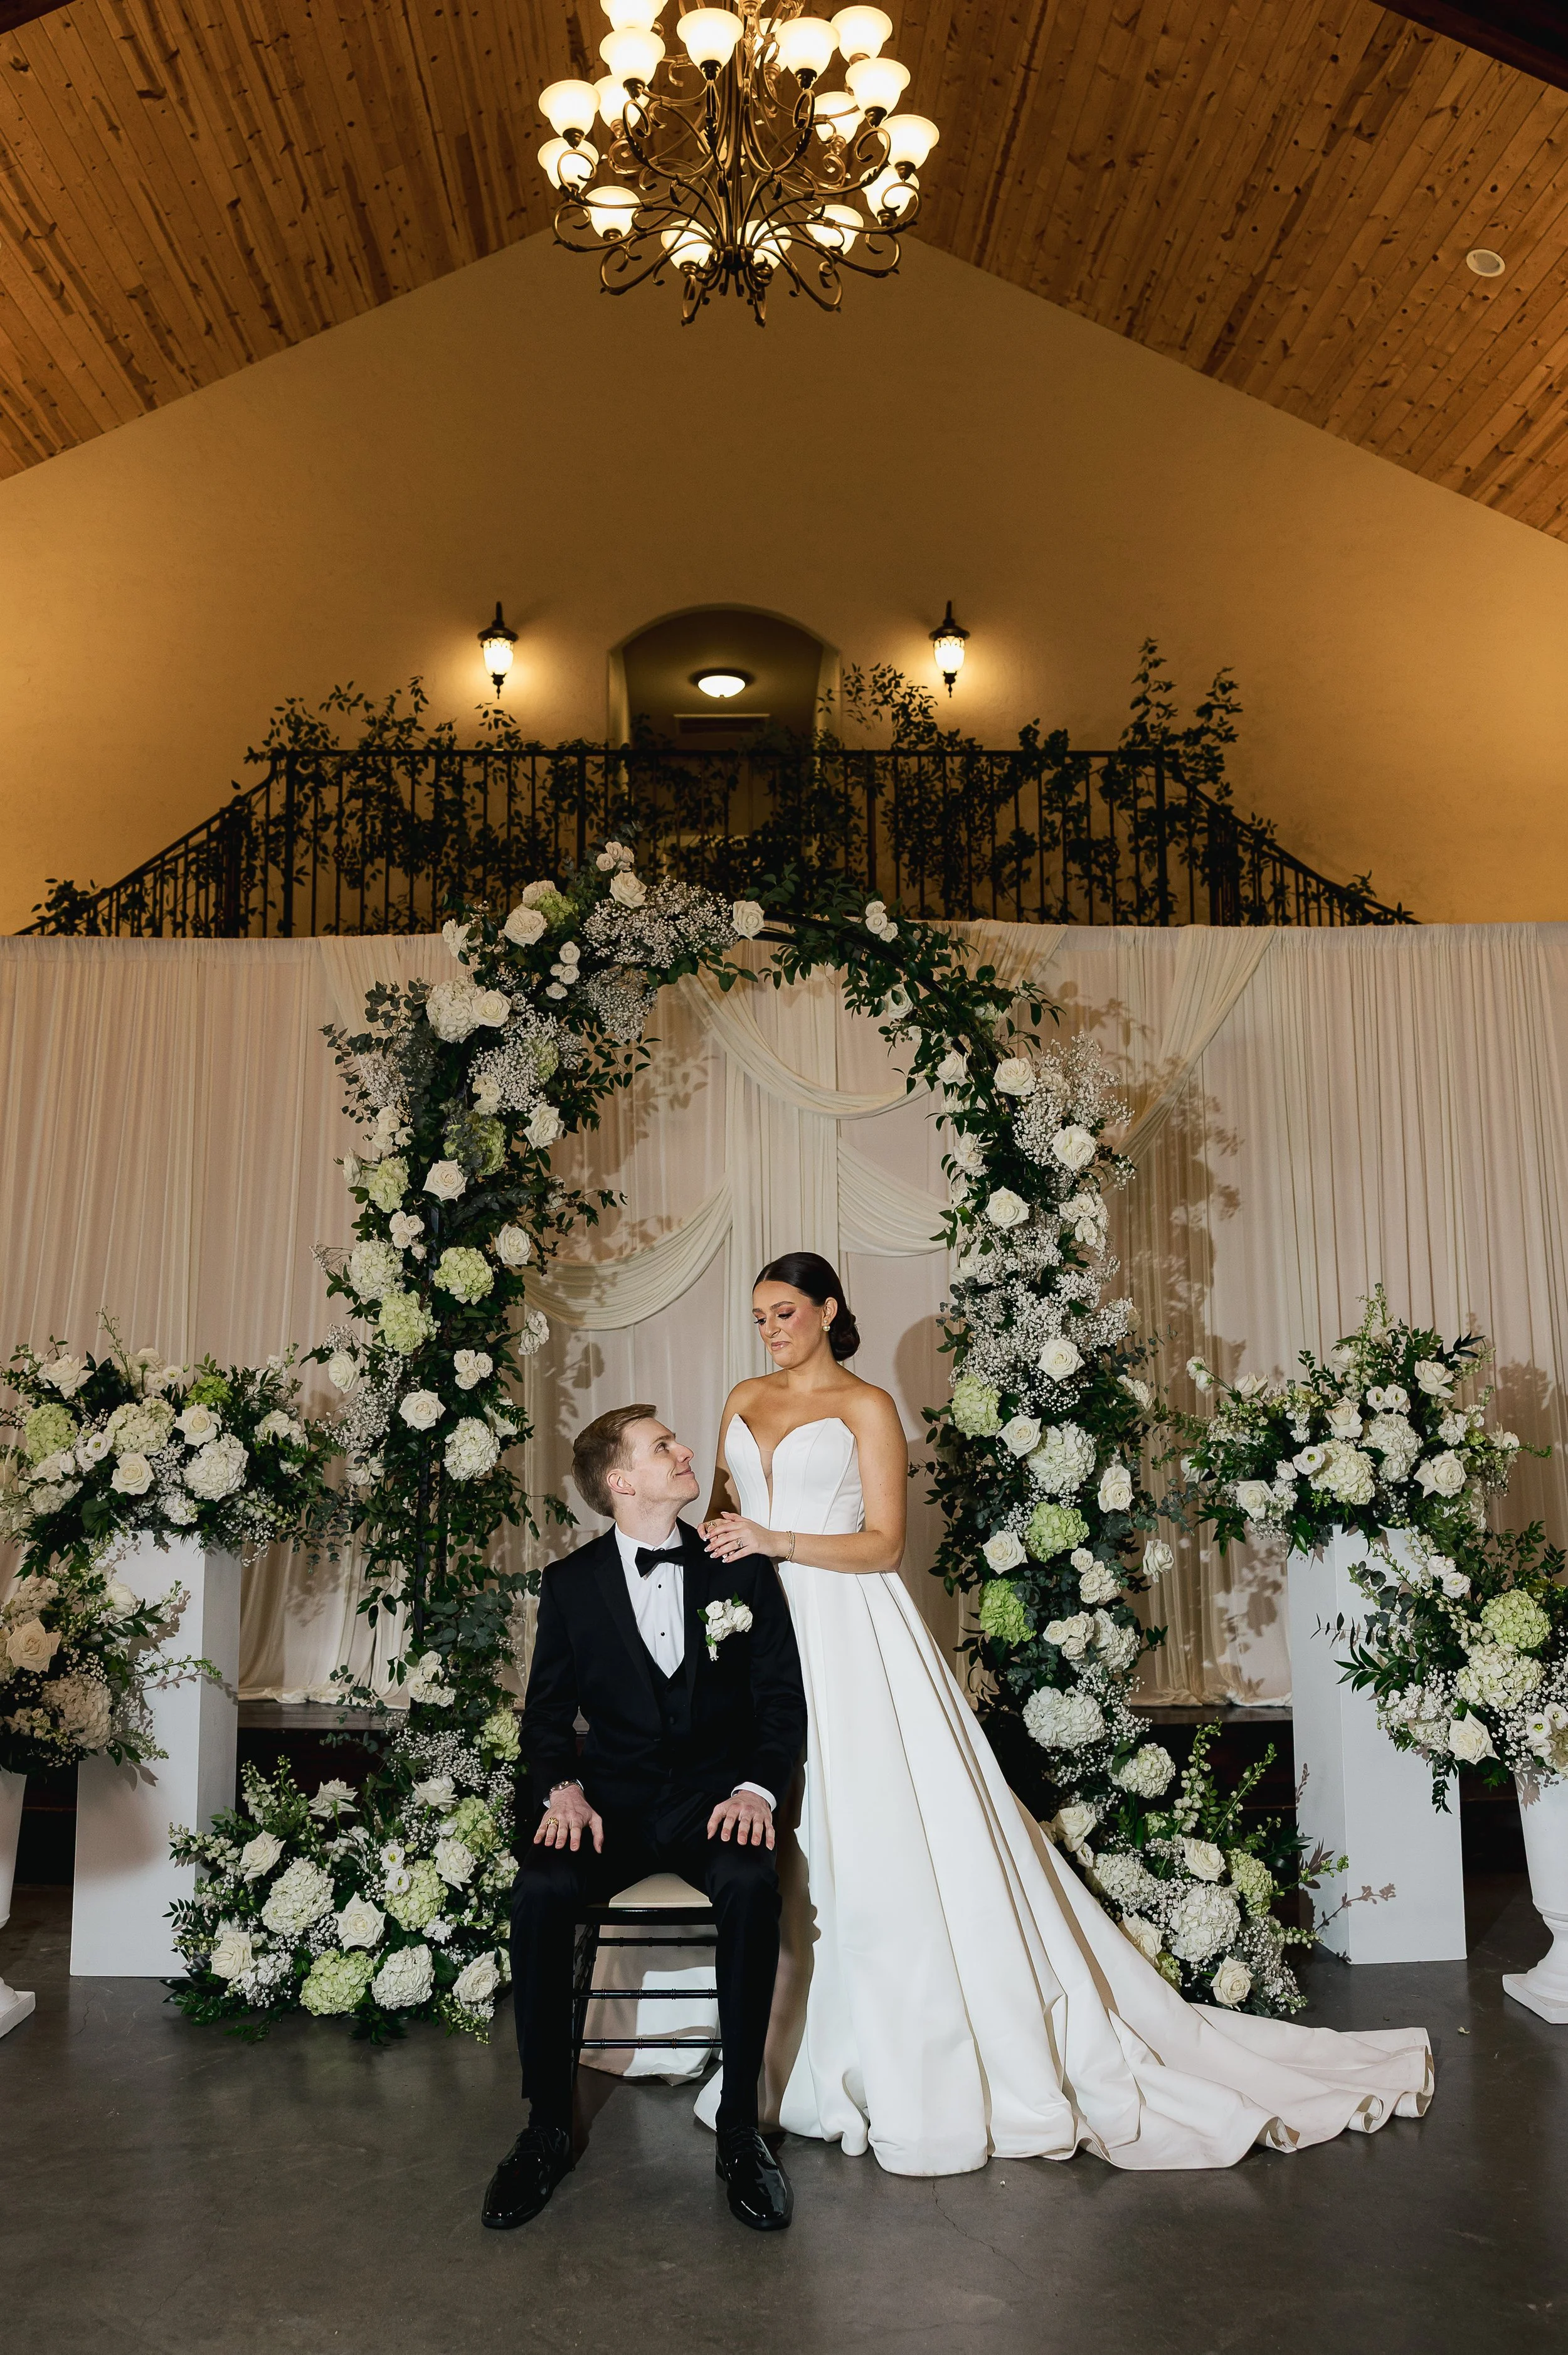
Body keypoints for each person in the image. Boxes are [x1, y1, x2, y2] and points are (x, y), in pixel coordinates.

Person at [696, 1250, 1434, 2176]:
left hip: (850, 1627)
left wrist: (780, 1539)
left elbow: (884, 1544)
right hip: (759, 1624)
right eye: (760, 1315)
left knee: (873, 1829)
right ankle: (768, 2034)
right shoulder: (740, 1396)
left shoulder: (867, 1406)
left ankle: (879, 2048)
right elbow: (723, 1512)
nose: (770, 1328)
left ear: (828, 1308)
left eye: (785, 1311)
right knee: (778, 1822)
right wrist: (726, 1573)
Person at [484, 1404, 807, 2234]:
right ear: (621, 1481)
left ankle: (739, 2127)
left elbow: (780, 1708)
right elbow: (546, 1717)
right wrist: (560, 1787)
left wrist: (755, 1792)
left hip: (713, 1807)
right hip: (612, 1812)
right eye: (664, 1445)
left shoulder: (738, 1565)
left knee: (748, 1880)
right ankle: (546, 2125)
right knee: (542, 1889)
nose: (686, 1448)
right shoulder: (572, 1584)